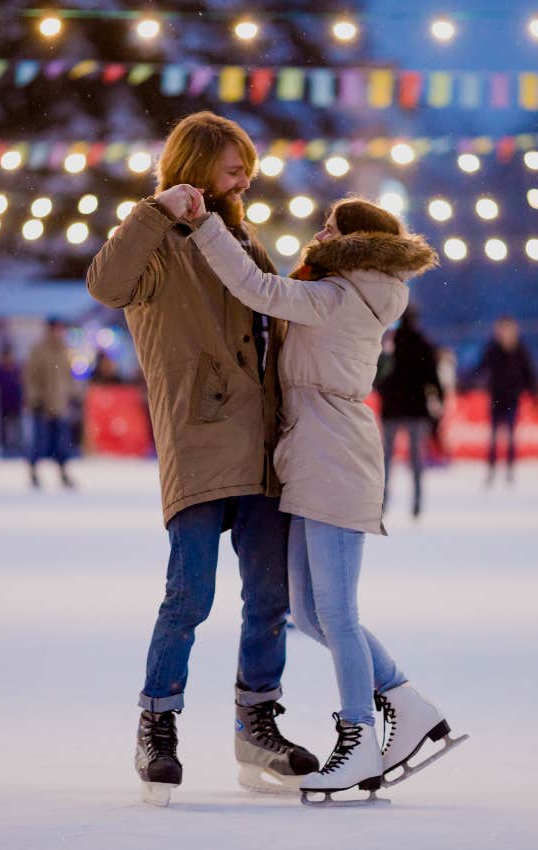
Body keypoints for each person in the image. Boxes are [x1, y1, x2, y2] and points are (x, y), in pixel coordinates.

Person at [178, 189, 466, 801]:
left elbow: (258, 290)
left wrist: (205, 226)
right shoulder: (346, 290)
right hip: (319, 454)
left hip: (334, 458)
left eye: (331, 226)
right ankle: (407, 704)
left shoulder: (338, 297)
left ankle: (360, 732)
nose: (319, 231)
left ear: (355, 241)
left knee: (335, 611)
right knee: (308, 612)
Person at [86, 112, 318, 806]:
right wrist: (154, 211)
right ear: (194, 163)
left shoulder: (241, 237)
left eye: (247, 165)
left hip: (260, 442)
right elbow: (104, 283)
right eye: (233, 165)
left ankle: (258, 723)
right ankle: (157, 723)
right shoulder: (156, 245)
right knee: (190, 594)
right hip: (199, 433)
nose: (245, 177)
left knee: (270, 598)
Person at [376, 306, 444, 516]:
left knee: (386, 458)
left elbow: (377, 376)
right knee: (416, 459)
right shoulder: (424, 345)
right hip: (416, 409)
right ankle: (417, 503)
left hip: (392, 409)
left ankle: (383, 502)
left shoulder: (390, 345)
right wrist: (439, 405)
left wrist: (386, 393)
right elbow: (433, 379)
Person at [471, 317, 538, 484]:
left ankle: (509, 470)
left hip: (512, 399)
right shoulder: (493, 349)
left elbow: (528, 373)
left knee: (510, 437)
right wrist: (467, 382)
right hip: (496, 398)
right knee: (494, 437)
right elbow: (481, 366)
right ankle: (492, 470)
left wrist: (534, 394)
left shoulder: (520, 351)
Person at [24, 318, 76, 489]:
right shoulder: (39, 350)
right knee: (40, 441)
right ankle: (33, 471)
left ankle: (63, 473)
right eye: (56, 329)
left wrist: (72, 395)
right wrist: (35, 399)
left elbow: (68, 376)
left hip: (59, 405)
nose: (58, 332)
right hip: (43, 404)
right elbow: (31, 377)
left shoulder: (64, 350)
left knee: (61, 442)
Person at [0, 345, 24, 457]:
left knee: (17, 426)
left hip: (15, 403)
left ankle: (17, 446)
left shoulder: (17, 370)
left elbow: (24, 384)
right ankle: (4, 447)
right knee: (3, 427)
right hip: (3, 404)